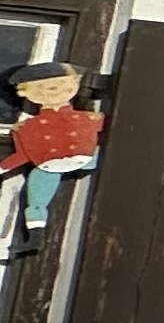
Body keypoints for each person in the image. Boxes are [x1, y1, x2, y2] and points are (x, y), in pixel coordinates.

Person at [0, 59, 101, 231]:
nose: (54, 89)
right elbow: (24, 154)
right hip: (49, 165)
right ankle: (35, 230)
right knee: (38, 191)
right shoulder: (28, 127)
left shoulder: (87, 118)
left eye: (62, 83)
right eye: (41, 87)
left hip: (87, 157)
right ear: (24, 92)